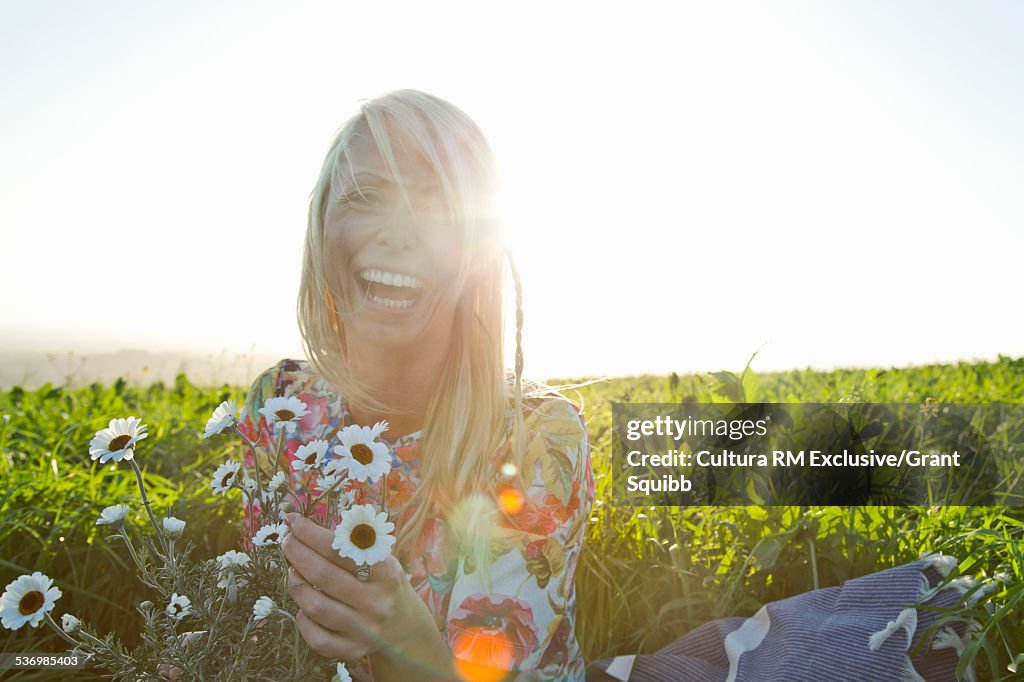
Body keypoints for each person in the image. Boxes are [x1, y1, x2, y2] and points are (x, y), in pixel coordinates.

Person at [235, 90, 594, 682]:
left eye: (437, 208)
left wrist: (398, 636)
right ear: (321, 226)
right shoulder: (279, 409)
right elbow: (268, 614)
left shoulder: (537, 442)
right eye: (366, 196)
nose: (399, 232)